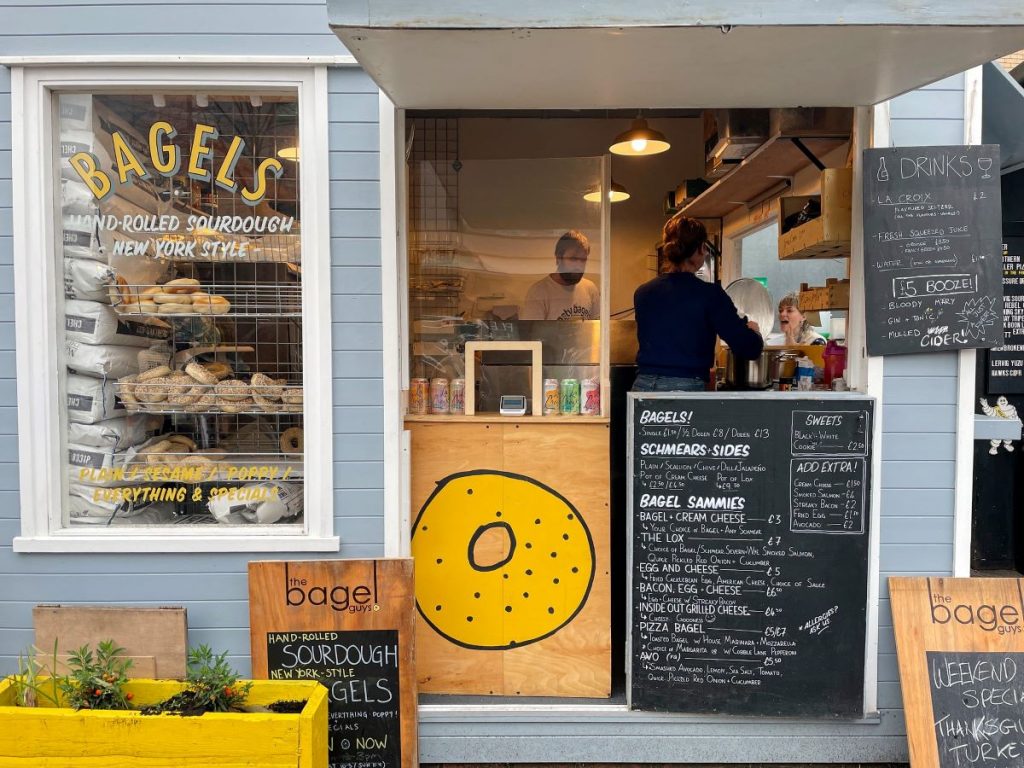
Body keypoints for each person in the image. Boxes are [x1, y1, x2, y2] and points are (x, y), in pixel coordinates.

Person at [632, 214, 763, 392]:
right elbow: (747, 347)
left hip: (642, 387)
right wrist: (754, 332)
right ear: (699, 249)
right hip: (683, 389)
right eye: (705, 246)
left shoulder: (643, 293)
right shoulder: (710, 295)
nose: (707, 252)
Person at [520, 230, 600, 320]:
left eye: (583, 259)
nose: (579, 265)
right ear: (558, 258)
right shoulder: (539, 292)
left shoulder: (590, 289)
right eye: (573, 258)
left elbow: (598, 329)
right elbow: (532, 332)